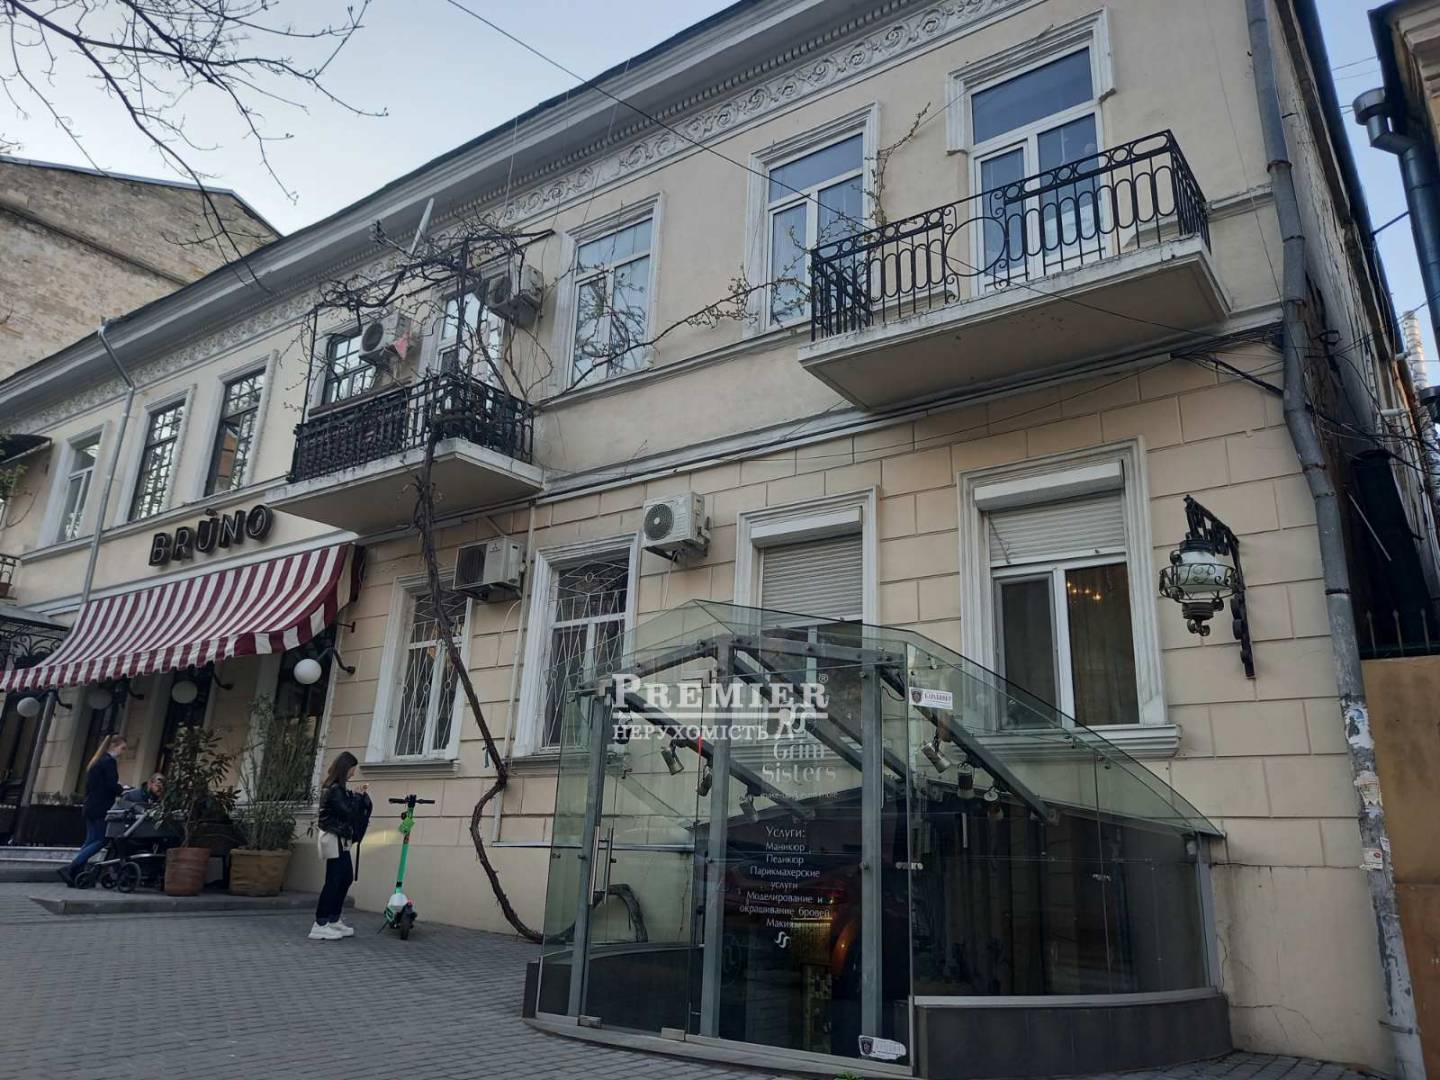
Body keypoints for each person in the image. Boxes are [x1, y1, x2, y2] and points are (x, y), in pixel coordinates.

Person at [311, 751, 371, 941]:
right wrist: (358, 797)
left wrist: (356, 796)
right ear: (346, 768)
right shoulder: (334, 789)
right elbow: (347, 812)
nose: (353, 773)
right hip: (334, 838)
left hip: (340, 839)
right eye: (352, 769)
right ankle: (320, 923)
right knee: (335, 880)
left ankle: (333, 919)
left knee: (345, 878)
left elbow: (346, 809)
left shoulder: (336, 788)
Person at [58, 733, 127, 887]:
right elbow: (110, 785)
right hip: (101, 807)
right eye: (122, 748)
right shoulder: (109, 762)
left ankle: (76, 873)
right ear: (113, 746)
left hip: (90, 805)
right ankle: (71, 867)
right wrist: (122, 789)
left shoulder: (96, 761)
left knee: (90, 840)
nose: (123, 752)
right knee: (102, 839)